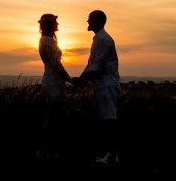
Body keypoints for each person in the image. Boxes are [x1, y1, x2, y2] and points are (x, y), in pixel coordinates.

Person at [72, 9, 120, 165]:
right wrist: (80, 80)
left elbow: (97, 67)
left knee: (109, 120)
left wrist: (80, 82)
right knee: (105, 119)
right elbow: (90, 65)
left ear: (99, 21)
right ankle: (110, 154)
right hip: (101, 86)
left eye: (90, 19)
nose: (87, 21)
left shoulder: (104, 40)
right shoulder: (98, 40)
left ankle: (112, 155)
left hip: (106, 85)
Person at [37, 13, 71, 159]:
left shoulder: (47, 40)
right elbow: (56, 64)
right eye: (56, 22)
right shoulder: (47, 41)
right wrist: (70, 79)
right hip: (53, 83)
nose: (58, 24)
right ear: (50, 25)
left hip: (54, 81)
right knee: (53, 117)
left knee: (54, 117)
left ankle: (50, 150)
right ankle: (49, 150)